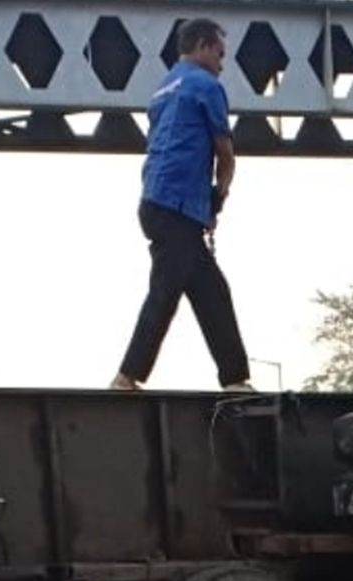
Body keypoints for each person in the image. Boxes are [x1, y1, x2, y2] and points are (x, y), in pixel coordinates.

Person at [111, 17, 253, 392]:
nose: (223, 63)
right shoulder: (206, 86)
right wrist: (218, 196)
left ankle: (236, 378)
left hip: (156, 201)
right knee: (165, 292)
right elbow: (226, 154)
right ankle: (125, 378)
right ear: (203, 46)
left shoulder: (164, 87)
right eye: (220, 54)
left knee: (211, 293)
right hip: (178, 206)